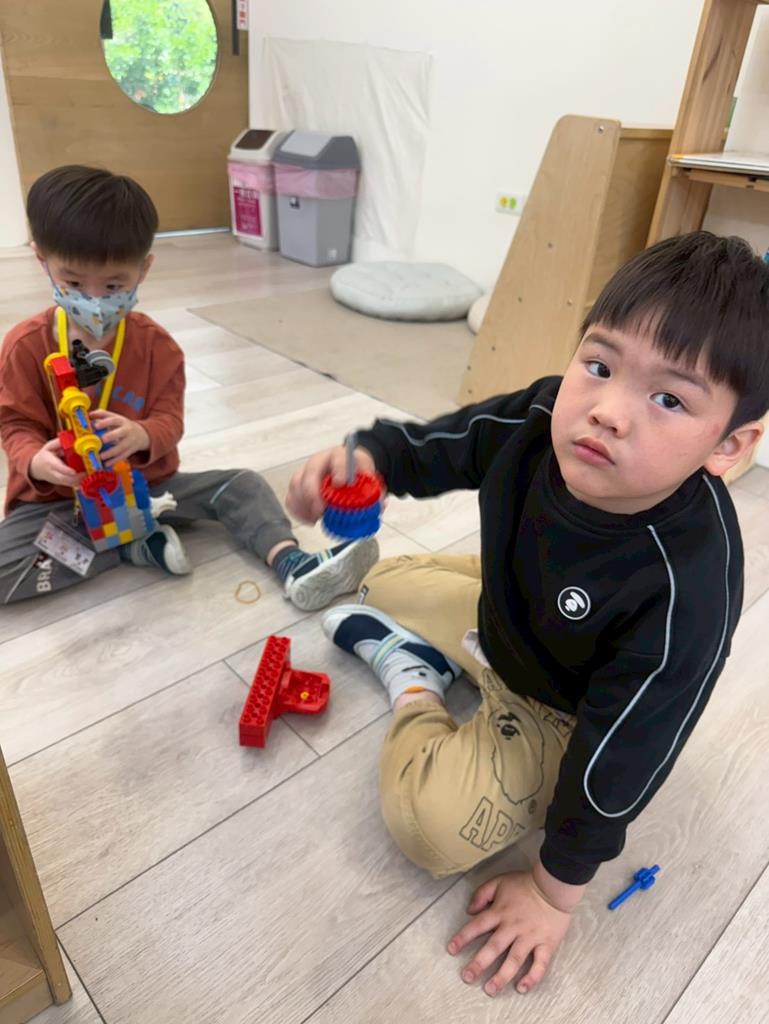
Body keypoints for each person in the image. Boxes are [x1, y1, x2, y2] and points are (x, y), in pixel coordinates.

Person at [286, 232, 769, 997]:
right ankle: (444, 645)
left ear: (730, 445)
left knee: (428, 830)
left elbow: (623, 757)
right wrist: (368, 457)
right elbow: (441, 446)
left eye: (669, 399)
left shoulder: (690, 587)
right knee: (380, 584)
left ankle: (412, 681)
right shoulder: (540, 413)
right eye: (599, 365)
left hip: (559, 708)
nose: (606, 411)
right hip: (503, 614)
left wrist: (552, 893)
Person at [0, 165, 377, 606]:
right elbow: (14, 424)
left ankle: (292, 563)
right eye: (74, 283)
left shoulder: (158, 346)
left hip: (145, 490)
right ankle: (130, 545)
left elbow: (170, 421)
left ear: (144, 269)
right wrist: (36, 461)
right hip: (61, 502)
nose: (96, 299)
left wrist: (142, 434)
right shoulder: (26, 346)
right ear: (42, 260)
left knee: (243, 485)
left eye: (114, 284)